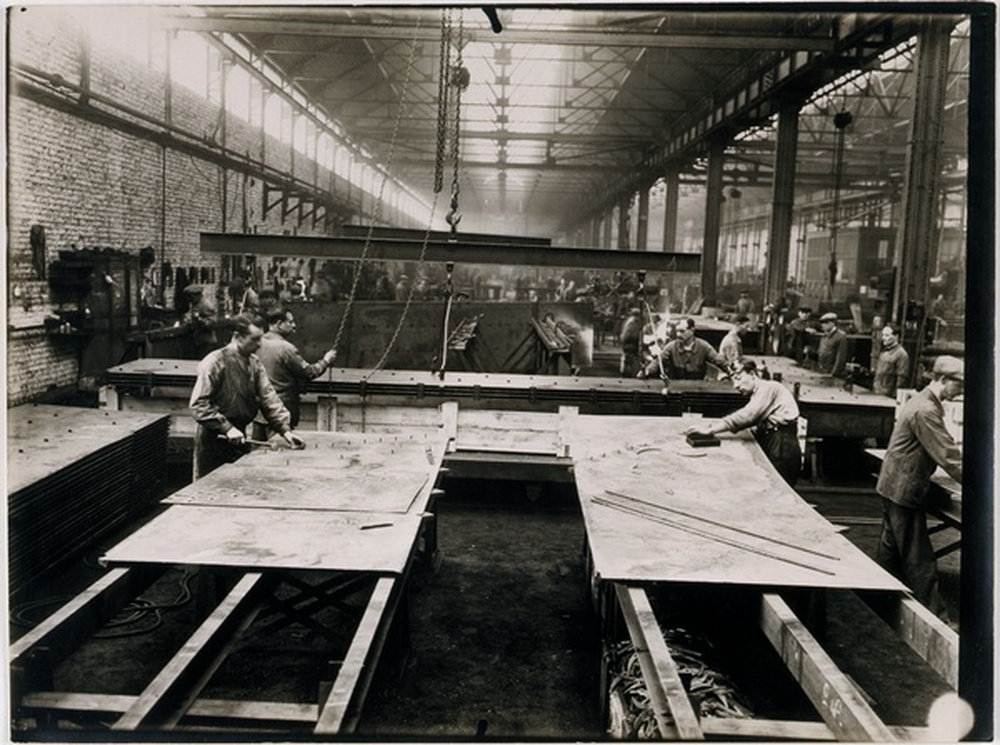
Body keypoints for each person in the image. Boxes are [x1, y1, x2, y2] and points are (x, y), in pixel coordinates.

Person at [875, 355, 964, 618]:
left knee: (890, 548)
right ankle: (937, 618)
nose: (960, 391)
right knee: (918, 558)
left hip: (892, 485)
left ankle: (877, 600)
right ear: (943, 380)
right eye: (958, 385)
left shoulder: (923, 401)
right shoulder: (926, 410)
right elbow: (948, 455)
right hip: (904, 489)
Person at [189, 314, 304, 480]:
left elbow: (268, 398)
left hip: (239, 434)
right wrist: (226, 428)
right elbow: (198, 404)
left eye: (261, 339)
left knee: (236, 485)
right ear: (237, 337)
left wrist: (285, 431)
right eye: (255, 339)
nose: (259, 344)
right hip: (213, 438)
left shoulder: (254, 363)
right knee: (209, 489)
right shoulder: (214, 362)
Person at [684, 359, 802, 486]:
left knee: (779, 490)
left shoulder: (769, 388)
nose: (736, 385)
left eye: (739, 378)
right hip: (773, 439)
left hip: (782, 445)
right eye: (733, 380)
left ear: (752, 374)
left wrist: (710, 429)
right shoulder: (757, 393)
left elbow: (748, 416)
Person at [256, 307, 338, 430]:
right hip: (280, 412)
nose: (294, 325)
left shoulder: (255, 344)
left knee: (259, 447)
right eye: (290, 322)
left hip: (258, 412)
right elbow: (309, 372)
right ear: (279, 324)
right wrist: (326, 361)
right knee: (281, 447)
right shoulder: (286, 349)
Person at [637, 317, 727, 380]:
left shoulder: (704, 346)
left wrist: (733, 373)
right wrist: (647, 371)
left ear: (692, 330)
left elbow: (719, 361)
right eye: (677, 331)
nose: (678, 335)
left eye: (682, 331)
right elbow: (658, 361)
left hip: (698, 388)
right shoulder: (671, 347)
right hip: (677, 388)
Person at [872, 322, 910, 398]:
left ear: (896, 336)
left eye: (887, 335)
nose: (883, 338)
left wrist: (893, 398)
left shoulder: (902, 355)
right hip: (877, 393)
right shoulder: (884, 352)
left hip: (887, 397)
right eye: (883, 335)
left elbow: (901, 380)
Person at [816, 311, 848, 377]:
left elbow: (840, 358)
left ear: (832, 323)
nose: (823, 325)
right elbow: (821, 353)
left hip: (832, 373)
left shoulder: (840, 336)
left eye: (826, 323)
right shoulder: (824, 336)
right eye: (822, 323)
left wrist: (833, 374)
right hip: (822, 371)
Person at [619, 307, 644, 377]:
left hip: (630, 343)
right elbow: (627, 335)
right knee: (630, 360)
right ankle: (628, 374)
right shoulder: (632, 323)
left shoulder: (631, 322)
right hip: (629, 343)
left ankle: (628, 373)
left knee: (629, 360)